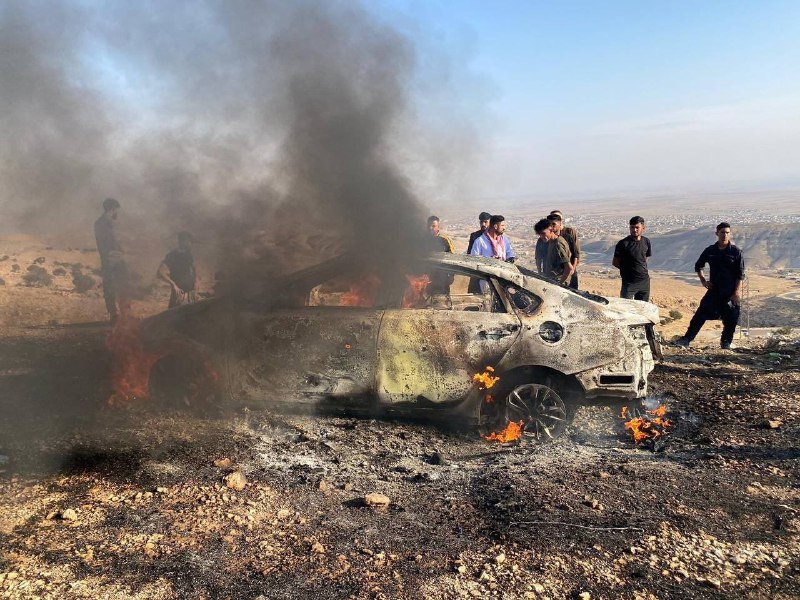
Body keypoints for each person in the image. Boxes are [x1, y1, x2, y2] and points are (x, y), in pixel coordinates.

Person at [675, 222, 745, 350]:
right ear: (717, 233)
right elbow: (698, 266)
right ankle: (686, 339)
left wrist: (736, 293)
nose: (725, 235)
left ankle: (726, 343)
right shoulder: (710, 251)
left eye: (727, 233)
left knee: (732, 318)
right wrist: (703, 281)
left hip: (730, 292)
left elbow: (740, 275)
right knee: (700, 315)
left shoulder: (735, 252)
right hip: (714, 291)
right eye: (722, 232)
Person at [94, 197, 129, 323]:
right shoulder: (111, 222)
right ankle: (124, 314)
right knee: (123, 285)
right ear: (113, 208)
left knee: (109, 286)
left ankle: (113, 313)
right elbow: (115, 240)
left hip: (105, 258)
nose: (117, 213)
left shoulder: (98, 223)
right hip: (115, 258)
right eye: (116, 210)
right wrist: (123, 251)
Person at [613, 216, 652, 301]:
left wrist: (639, 267)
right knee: (626, 307)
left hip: (644, 281)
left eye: (637, 227)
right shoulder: (623, 244)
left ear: (643, 228)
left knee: (643, 307)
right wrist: (628, 269)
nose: (634, 230)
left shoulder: (646, 241)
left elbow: (645, 258)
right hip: (629, 282)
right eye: (632, 227)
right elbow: (615, 262)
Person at [158, 231, 199, 308]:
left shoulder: (189, 254)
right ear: (182, 241)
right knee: (175, 317)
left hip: (190, 295)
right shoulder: (172, 255)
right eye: (189, 241)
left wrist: (196, 286)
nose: (191, 244)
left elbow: (194, 271)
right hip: (178, 294)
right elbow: (160, 272)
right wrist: (173, 285)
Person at [534, 218, 573, 285]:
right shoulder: (542, 241)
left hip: (558, 280)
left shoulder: (558, 244)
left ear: (551, 230)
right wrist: (540, 273)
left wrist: (559, 284)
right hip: (548, 279)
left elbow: (569, 268)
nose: (541, 236)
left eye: (543, 233)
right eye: (539, 234)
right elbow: (538, 258)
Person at [548, 211, 581, 289]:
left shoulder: (569, 233)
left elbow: (575, 253)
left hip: (569, 269)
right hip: (555, 273)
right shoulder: (549, 236)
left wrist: (572, 268)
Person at [467, 211, 492, 293]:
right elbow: (470, 255)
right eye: (481, 222)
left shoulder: (495, 237)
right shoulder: (474, 236)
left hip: (491, 273)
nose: (483, 224)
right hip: (476, 274)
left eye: (485, 222)